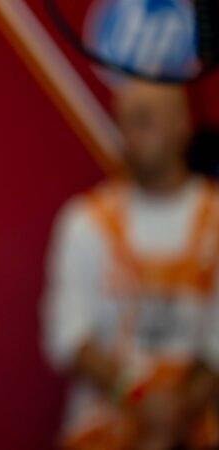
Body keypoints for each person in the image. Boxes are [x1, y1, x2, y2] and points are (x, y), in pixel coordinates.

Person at [43, 79, 219, 450]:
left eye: (144, 119)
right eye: (123, 122)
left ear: (182, 123)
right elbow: (70, 337)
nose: (130, 135)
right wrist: (142, 400)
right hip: (99, 431)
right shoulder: (86, 221)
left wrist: (175, 415)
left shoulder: (215, 219)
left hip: (198, 429)